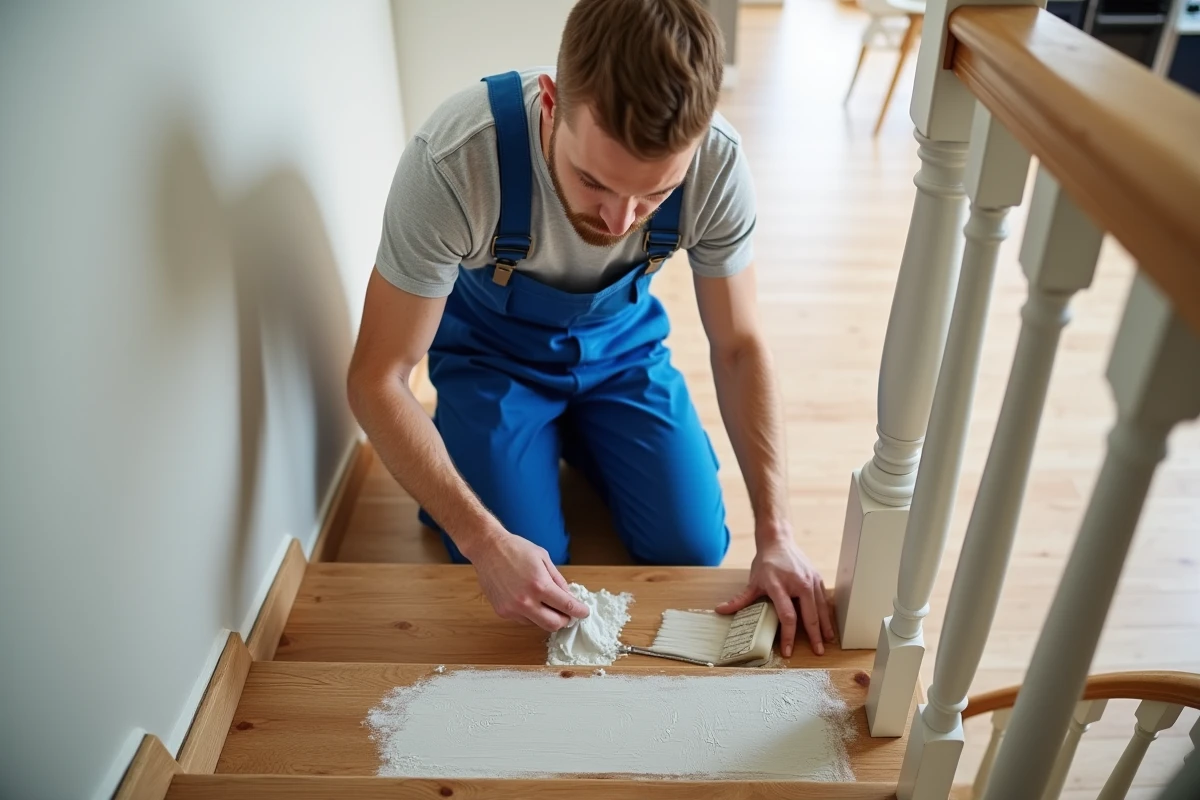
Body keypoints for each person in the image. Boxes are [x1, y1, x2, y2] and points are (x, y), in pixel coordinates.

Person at [347, 0, 834, 658]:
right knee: (522, 558)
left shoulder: (717, 164)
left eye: (656, 196)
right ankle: (535, 447)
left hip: (622, 355)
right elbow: (377, 379)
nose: (621, 219)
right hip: (493, 363)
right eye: (593, 181)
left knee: (692, 546)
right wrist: (486, 543)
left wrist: (776, 532)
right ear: (551, 103)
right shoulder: (456, 164)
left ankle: (579, 435)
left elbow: (740, 346)